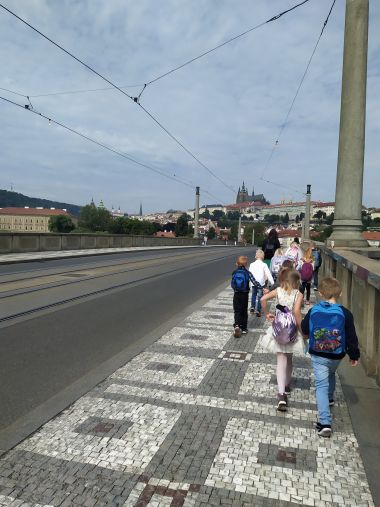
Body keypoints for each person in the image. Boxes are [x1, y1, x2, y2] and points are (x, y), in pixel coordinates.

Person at [295, 277, 360, 437]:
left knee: (321, 386)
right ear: (340, 293)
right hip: (337, 355)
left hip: (318, 354)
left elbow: (304, 329)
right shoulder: (345, 313)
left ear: (322, 293)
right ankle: (330, 398)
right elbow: (351, 337)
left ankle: (325, 423)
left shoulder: (314, 310)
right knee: (331, 373)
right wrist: (354, 355)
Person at [260, 268, 304, 411]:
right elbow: (296, 312)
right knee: (289, 357)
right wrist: (302, 330)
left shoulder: (278, 291)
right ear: (296, 282)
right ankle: (286, 384)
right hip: (291, 329)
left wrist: (267, 314)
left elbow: (263, 299)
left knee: (281, 360)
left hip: (279, 328)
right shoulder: (299, 294)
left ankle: (281, 394)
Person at [231, 255, 259, 338]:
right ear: (246, 264)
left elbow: (233, 284)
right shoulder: (247, 273)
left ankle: (237, 325)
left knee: (237, 311)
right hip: (244, 294)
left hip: (236, 294)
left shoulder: (234, 272)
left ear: (237, 263)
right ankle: (243, 328)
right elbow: (255, 282)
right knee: (243, 311)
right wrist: (261, 287)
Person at [249, 250, 274, 317]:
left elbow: (249, 274)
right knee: (260, 297)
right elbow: (268, 274)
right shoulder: (264, 265)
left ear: (256, 256)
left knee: (253, 295)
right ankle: (258, 310)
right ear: (263, 256)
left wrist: (249, 283)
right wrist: (273, 283)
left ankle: (252, 307)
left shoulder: (252, 264)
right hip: (261, 284)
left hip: (254, 283)